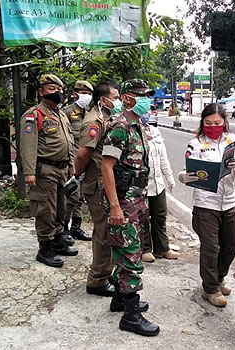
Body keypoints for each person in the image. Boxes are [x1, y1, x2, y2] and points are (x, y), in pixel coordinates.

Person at [101, 79, 159, 336]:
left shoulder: (137, 125)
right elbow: (106, 167)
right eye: (141, 94)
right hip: (123, 202)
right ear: (127, 98)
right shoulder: (120, 127)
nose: (146, 99)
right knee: (131, 255)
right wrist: (115, 206)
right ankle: (131, 315)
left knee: (124, 252)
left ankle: (119, 299)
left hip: (136, 199)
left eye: (148, 95)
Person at [178, 103, 235, 307]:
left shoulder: (232, 140)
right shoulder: (195, 143)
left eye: (217, 122)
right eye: (208, 123)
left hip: (229, 202)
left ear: (224, 122)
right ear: (203, 123)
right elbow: (184, 172)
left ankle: (218, 278)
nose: (213, 126)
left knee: (231, 246)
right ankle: (210, 289)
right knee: (210, 248)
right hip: (206, 204)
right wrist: (185, 177)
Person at [19, 74, 78, 268]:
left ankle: (58, 240)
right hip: (44, 170)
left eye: (59, 89)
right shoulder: (34, 115)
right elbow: (28, 146)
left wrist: (70, 166)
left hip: (62, 170)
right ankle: (45, 249)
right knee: (45, 210)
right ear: (41, 91)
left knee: (61, 207)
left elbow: (69, 142)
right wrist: (29, 173)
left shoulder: (60, 114)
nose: (57, 92)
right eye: (51, 88)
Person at [73, 81, 121, 296]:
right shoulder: (95, 121)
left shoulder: (107, 118)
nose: (119, 101)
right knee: (103, 232)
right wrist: (77, 174)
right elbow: (83, 154)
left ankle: (105, 272)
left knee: (106, 230)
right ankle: (98, 280)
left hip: (104, 183)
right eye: (116, 97)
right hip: (97, 184)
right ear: (104, 100)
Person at [140, 114, 179, 263]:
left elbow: (163, 159)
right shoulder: (134, 132)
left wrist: (170, 179)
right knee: (143, 218)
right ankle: (146, 249)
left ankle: (162, 248)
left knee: (160, 216)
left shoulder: (156, 133)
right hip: (142, 185)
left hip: (157, 184)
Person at [62, 80, 94, 242]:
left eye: (89, 94)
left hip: (85, 161)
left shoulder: (89, 114)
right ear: (76, 95)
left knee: (81, 197)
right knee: (72, 196)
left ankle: (76, 227)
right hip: (72, 161)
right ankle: (63, 228)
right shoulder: (66, 113)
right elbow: (64, 139)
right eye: (84, 94)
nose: (87, 97)